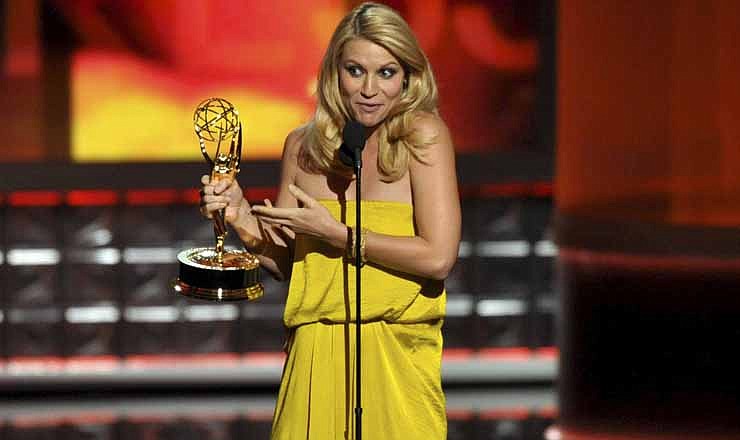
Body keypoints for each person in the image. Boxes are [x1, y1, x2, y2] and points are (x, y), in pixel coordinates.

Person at [200, 3, 460, 439]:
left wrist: (338, 235)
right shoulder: (302, 147)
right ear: (334, 72)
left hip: (396, 358)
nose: (369, 90)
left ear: (408, 77)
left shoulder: (422, 137)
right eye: (355, 70)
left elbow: (438, 257)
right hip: (314, 356)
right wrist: (242, 218)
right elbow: (289, 264)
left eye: (387, 73)